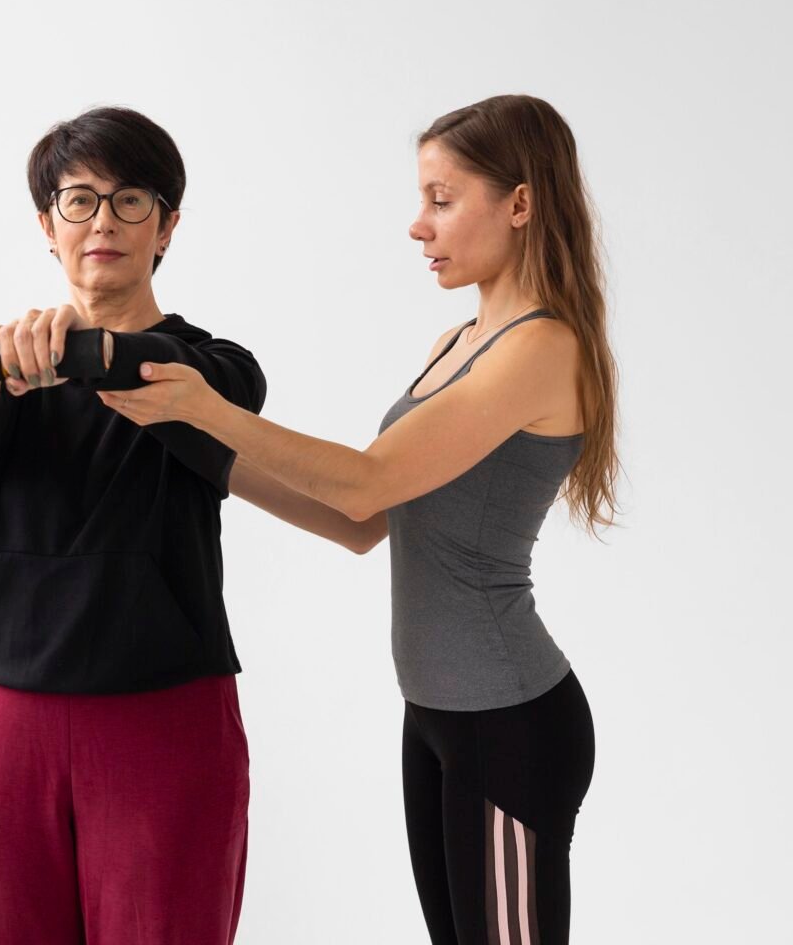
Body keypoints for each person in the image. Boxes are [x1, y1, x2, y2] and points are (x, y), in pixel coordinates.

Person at [97, 94, 619, 944]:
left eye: (442, 201)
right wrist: (193, 444)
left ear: (520, 204)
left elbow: (366, 482)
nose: (419, 226)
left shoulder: (542, 347)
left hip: (509, 720)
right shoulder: (457, 344)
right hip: (437, 714)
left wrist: (212, 409)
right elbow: (364, 523)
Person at [0, 106, 265, 945]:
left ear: (168, 227)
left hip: (163, 721)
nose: (103, 222)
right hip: (0, 723)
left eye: (130, 200)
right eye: (79, 201)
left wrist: (88, 343)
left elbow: (213, 393)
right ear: (48, 226)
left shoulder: (214, 368)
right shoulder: (6, 370)